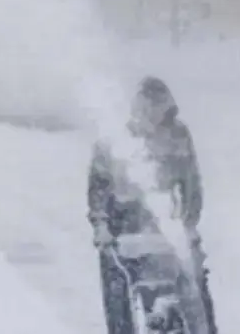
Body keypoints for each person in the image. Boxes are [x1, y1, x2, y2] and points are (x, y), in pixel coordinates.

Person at [87, 76, 218, 334]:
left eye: (159, 110)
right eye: (148, 110)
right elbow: (98, 187)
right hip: (122, 228)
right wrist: (101, 225)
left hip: (164, 225)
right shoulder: (114, 140)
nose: (154, 117)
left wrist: (190, 223)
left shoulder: (178, 135)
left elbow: (192, 183)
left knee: (194, 281)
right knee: (118, 289)